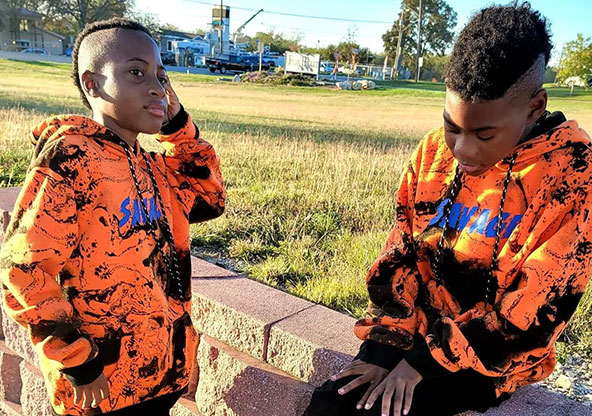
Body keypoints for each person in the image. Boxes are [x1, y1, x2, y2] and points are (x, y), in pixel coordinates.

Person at [305, 3, 592, 416]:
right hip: (417, 337)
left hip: (491, 357)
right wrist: (384, 347)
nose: (462, 150)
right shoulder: (433, 154)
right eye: (452, 126)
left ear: (534, 107)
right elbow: (400, 253)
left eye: (484, 133)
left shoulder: (572, 176)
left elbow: (533, 314)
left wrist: (421, 363)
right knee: (333, 402)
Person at [0, 18, 225, 416]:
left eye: (161, 75)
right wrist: (77, 360)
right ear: (92, 84)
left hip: (158, 378)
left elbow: (210, 196)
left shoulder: (153, 167)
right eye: (136, 72)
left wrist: (177, 127)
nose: (157, 88)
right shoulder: (72, 158)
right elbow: (22, 269)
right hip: (101, 387)